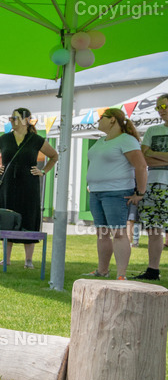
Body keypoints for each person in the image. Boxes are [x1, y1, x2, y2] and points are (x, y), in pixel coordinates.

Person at [0, 108, 58, 268]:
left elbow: (54, 156)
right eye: (11, 118)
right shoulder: (4, 139)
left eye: (15, 118)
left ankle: (28, 260)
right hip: (7, 184)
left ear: (25, 121)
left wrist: (43, 171)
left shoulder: (36, 140)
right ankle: (6, 258)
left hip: (29, 185)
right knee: (6, 218)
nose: (11, 121)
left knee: (29, 217)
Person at [83, 108, 146, 280]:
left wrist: (140, 192)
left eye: (101, 118)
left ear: (112, 120)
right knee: (102, 233)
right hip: (96, 192)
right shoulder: (101, 140)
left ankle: (121, 275)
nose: (98, 121)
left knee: (118, 233)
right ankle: (102, 270)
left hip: (117, 192)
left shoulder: (126, 140)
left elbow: (141, 166)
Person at [134, 93, 168, 281]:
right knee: (153, 229)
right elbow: (142, 158)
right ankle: (153, 270)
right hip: (153, 184)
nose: (161, 111)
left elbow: (148, 155)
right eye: (158, 107)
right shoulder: (152, 130)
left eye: (165, 107)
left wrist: (153, 153)